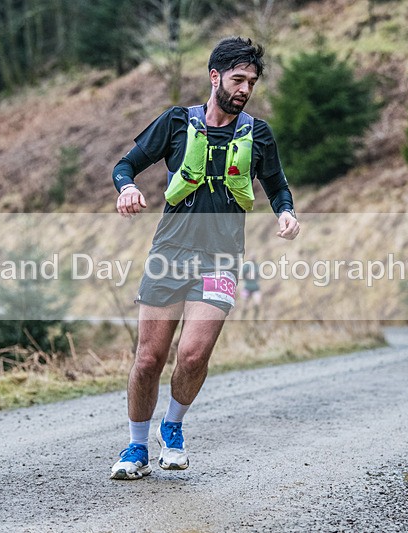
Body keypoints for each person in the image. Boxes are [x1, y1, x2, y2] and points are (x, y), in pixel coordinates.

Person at [110, 36, 300, 480]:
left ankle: (171, 429)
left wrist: (287, 213)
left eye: (251, 81)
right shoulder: (177, 122)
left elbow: (278, 186)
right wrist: (128, 188)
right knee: (148, 359)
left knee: (194, 355)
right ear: (214, 77)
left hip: (221, 260)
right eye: (237, 79)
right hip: (169, 256)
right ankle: (137, 446)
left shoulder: (259, 133)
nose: (245, 88)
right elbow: (124, 165)